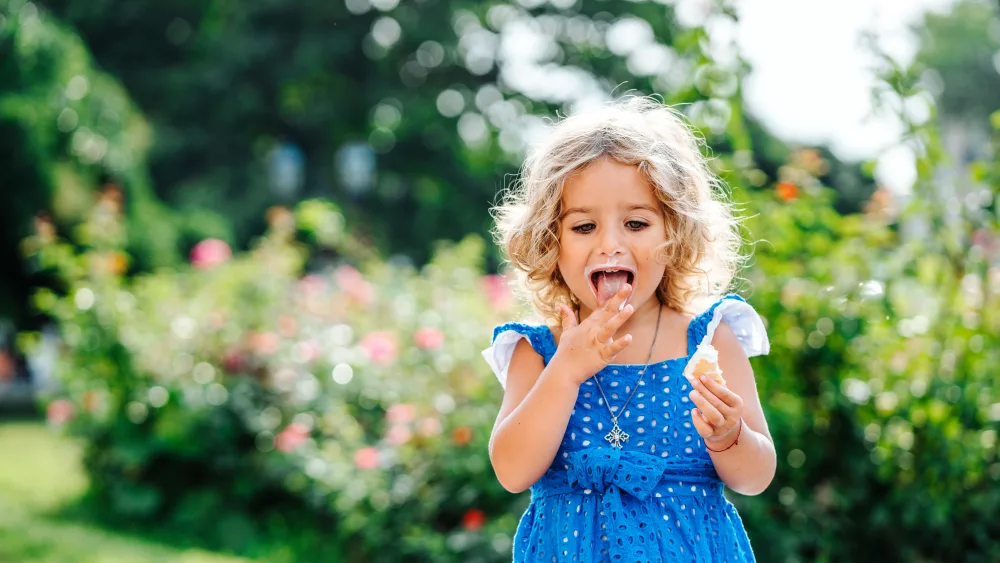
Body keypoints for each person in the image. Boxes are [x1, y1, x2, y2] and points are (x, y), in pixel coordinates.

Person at [482, 96, 776, 562]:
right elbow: (512, 470)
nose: (610, 244)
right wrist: (567, 370)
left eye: (636, 223)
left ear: (675, 232)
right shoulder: (537, 353)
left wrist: (728, 436)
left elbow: (756, 476)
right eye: (583, 227)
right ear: (549, 241)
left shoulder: (708, 339)